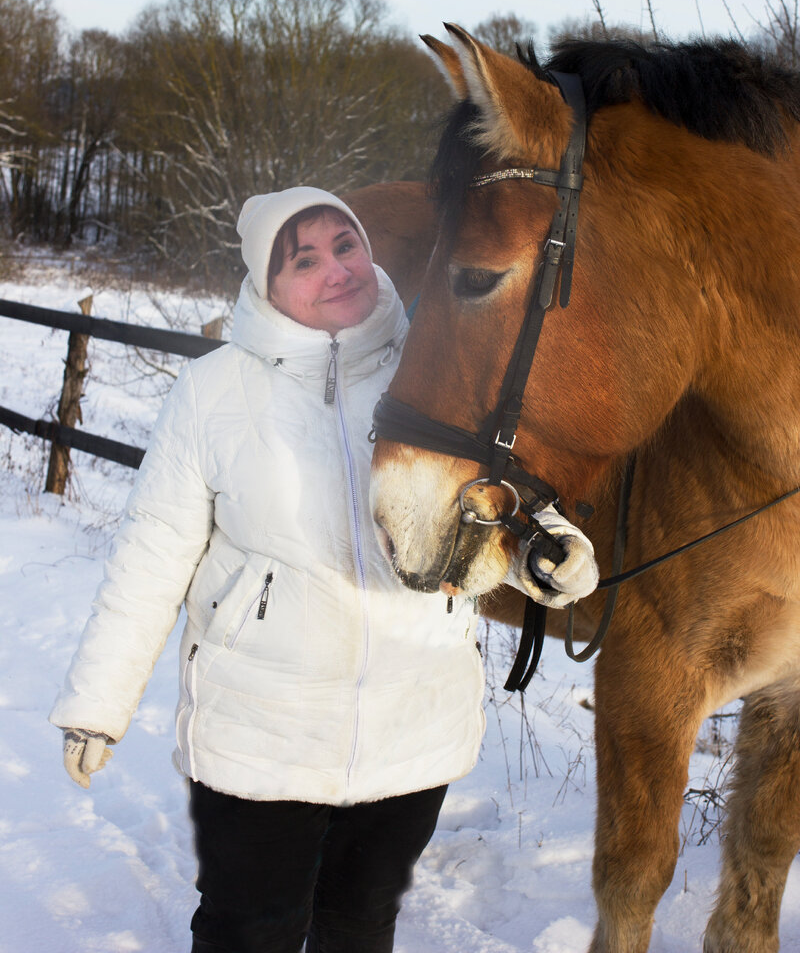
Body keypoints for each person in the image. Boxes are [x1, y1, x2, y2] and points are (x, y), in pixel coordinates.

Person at [50, 187, 599, 953]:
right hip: (262, 730)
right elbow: (152, 553)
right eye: (304, 260)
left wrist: (546, 548)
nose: (337, 269)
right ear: (265, 285)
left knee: (361, 925)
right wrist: (98, 704)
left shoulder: (434, 364)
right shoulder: (213, 392)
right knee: (250, 929)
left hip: (414, 724)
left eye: (346, 245)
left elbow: (498, 495)